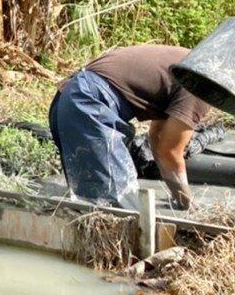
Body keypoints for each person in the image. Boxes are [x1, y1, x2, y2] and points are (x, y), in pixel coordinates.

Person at [49, 44, 213, 211]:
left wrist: (178, 197)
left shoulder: (187, 62)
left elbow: (157, 136)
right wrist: (187, 202)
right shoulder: (202, 83)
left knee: (89, 202)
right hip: (89, 103)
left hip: (69, 96)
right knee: (118, 210)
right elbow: (170, 151)